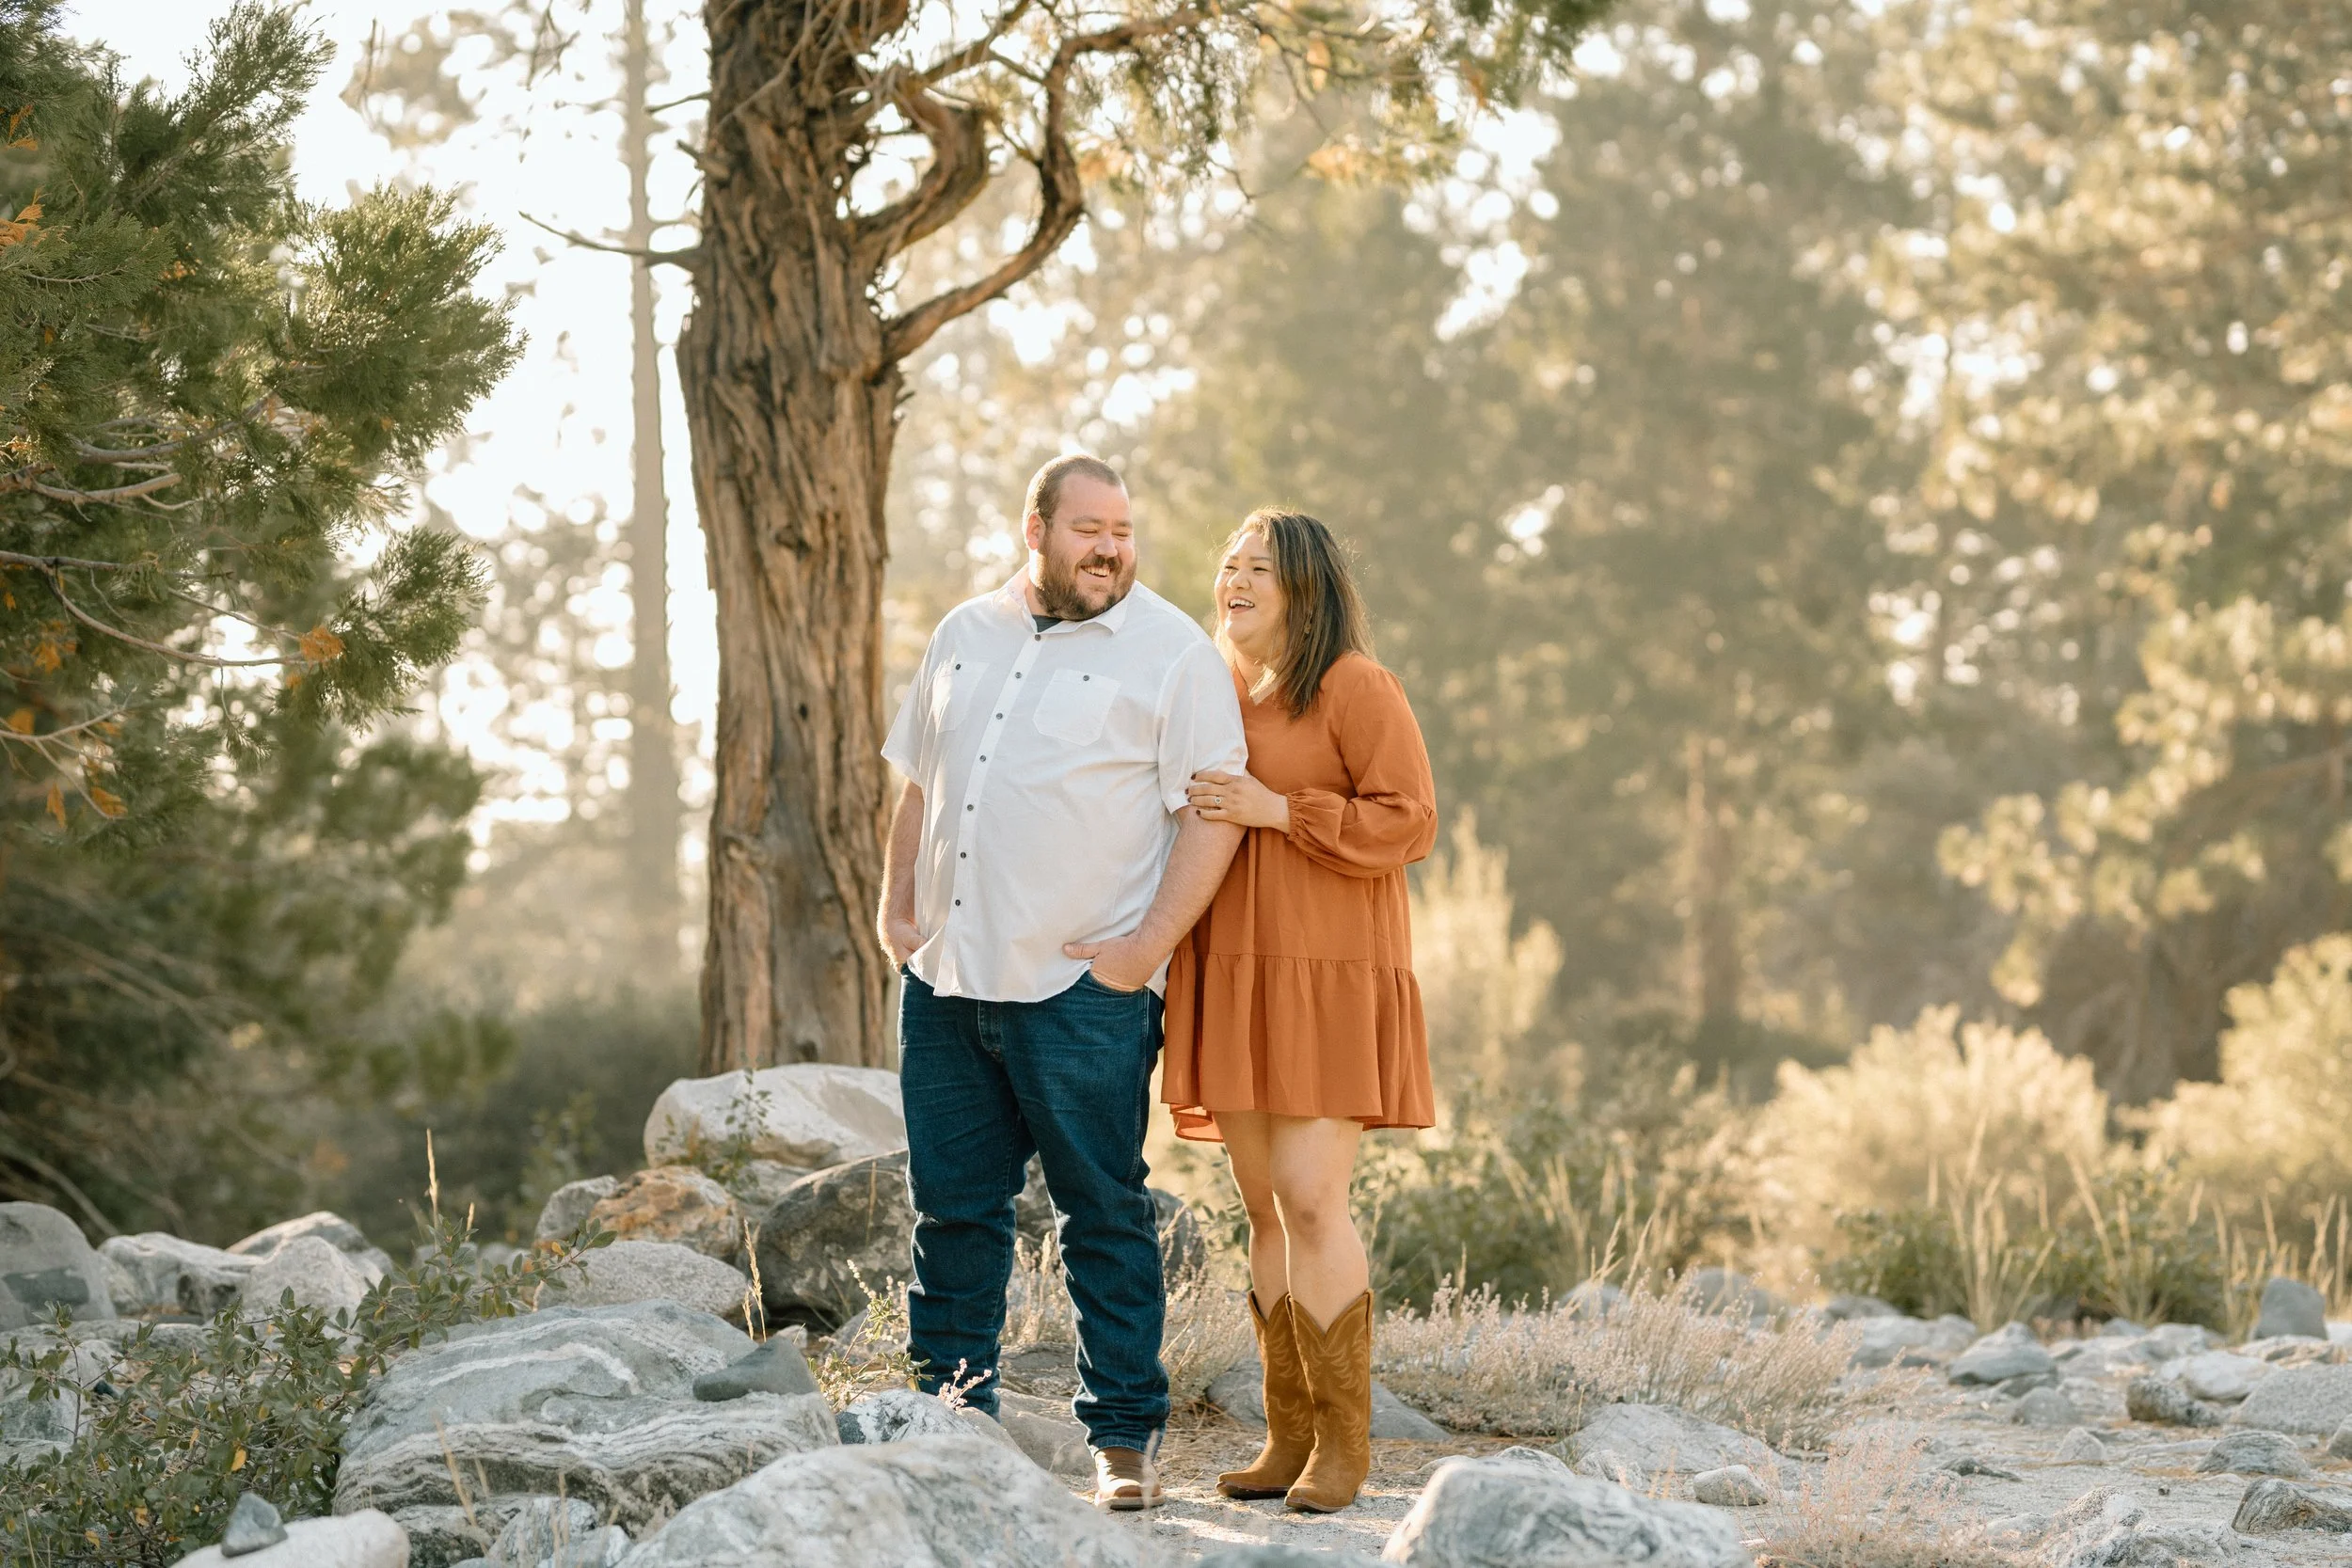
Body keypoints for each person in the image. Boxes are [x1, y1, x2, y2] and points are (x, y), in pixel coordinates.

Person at [877, 453, 1248, 1511]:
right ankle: (949, 1419)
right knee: (952, 1210)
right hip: (947, 979)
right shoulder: (963, 632)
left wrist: (1142, 952)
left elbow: (1210, 813)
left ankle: (1122, 1437)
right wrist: (892, 908)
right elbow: (919, 779)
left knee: (1102, 1213)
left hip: (1083, 990)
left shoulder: (1171, 651)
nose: (1110, 548)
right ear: (1032, 528)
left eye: (1123, 530)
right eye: (1089, 527)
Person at [1161, 509, 1438, 1513]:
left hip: (1328, 971)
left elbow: (1411, 818)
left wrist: (1281, 810)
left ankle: (1344, 1446)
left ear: (1305, 588)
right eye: (1229, 563)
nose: (1235, 579)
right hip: (1232, 968)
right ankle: (1284, 1435)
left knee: (1313, 1195)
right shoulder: (1211, 688)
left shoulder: (1356, 685)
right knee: (1261, 1204)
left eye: (1259, 568)